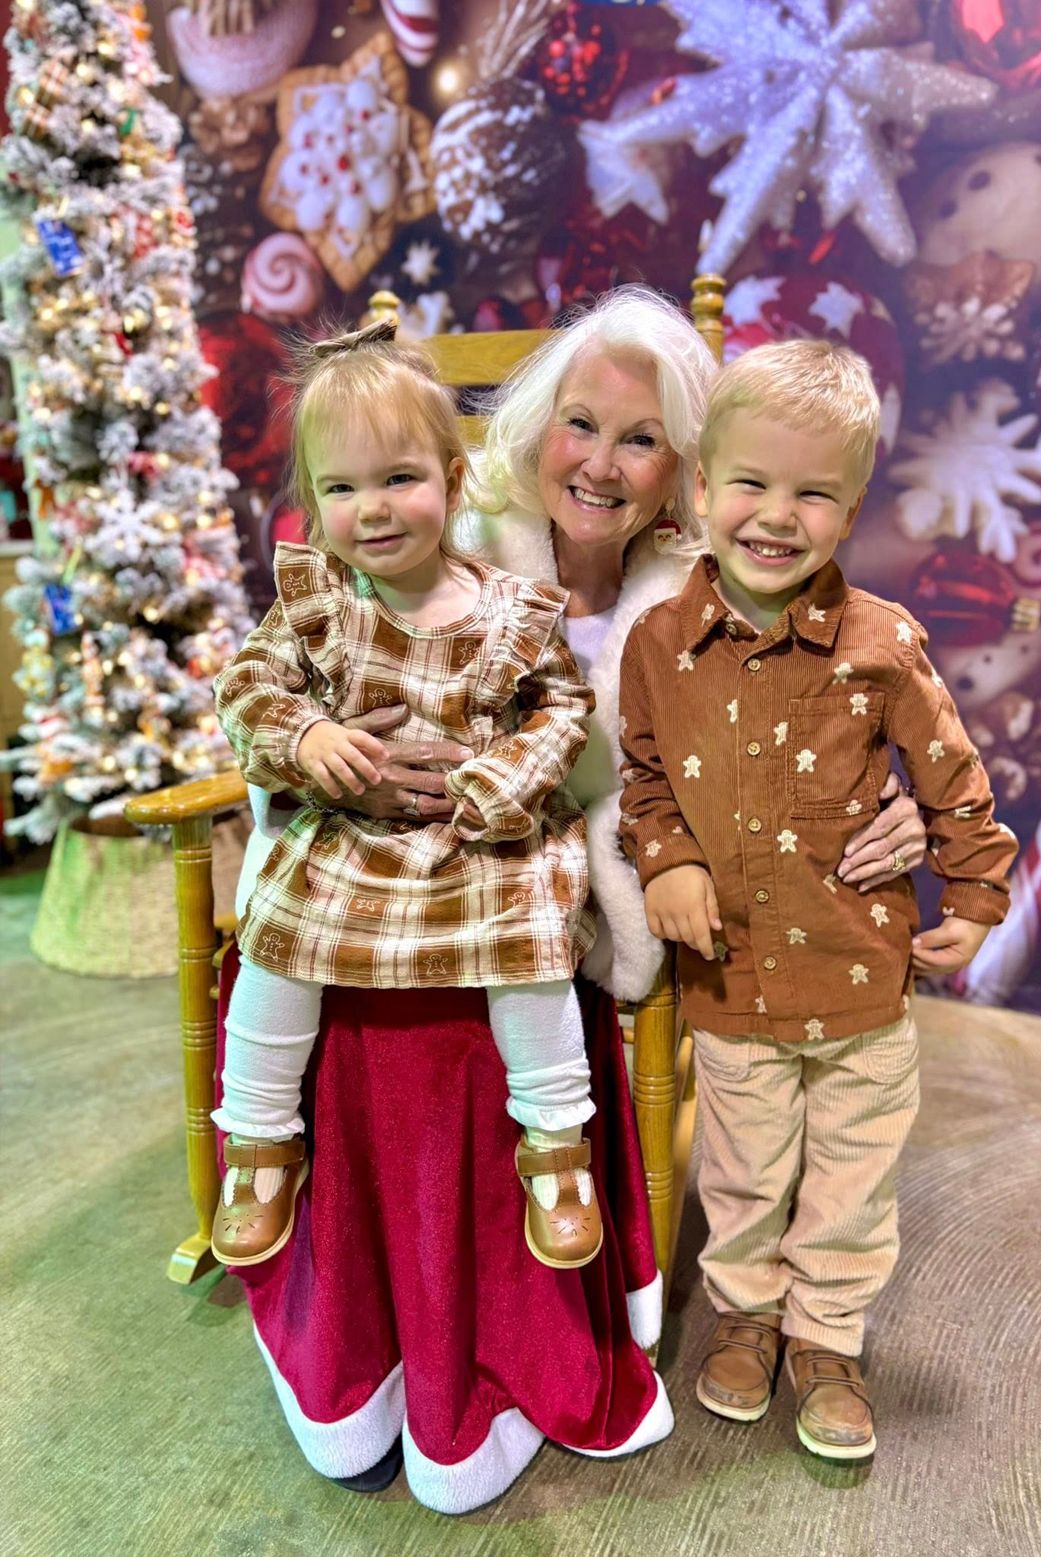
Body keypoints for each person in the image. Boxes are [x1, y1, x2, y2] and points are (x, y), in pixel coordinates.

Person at [225, 288, 930, 1512]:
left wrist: (894, 799)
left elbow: (817, 713)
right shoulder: (426, 535)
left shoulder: (711, 592)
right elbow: (271, 683)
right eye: (580, 423)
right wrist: (322, 750)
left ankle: (524, 1286)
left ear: (686, 472)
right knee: (322, 993)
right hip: (371, 873)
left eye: (643, 437)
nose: (601, 463)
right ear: (531, 427)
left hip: (557, 907)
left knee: (524, 1004)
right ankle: (333, 1277)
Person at [617, 339, 1017, 1461]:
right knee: (743, 1173)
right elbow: (644, 779)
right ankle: (743, 1314)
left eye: (814, 493)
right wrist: (669, 864)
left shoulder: (882, 643)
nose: (774, 515)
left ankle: (827, 1338)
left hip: (859, 978)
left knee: (849, 1178)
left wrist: (977, 896)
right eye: (749, 482)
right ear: (700, 486)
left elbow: (954, 779)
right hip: (732, 978)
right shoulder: (659, 643)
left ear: (850, 509)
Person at [211, 320, 603, 1276]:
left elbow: (561, 706)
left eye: (399, 479)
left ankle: (556, 1141)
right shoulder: (320, 605)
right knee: (281, 929)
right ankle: (261, 1141)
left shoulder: (508, 610)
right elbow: (248, 688)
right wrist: (307, 735)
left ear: (452, 484)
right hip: (350, 832)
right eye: (341, 489)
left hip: (477, 835)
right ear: (312, 503)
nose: (372, 510)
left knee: (532, 937)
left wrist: (502, 781)